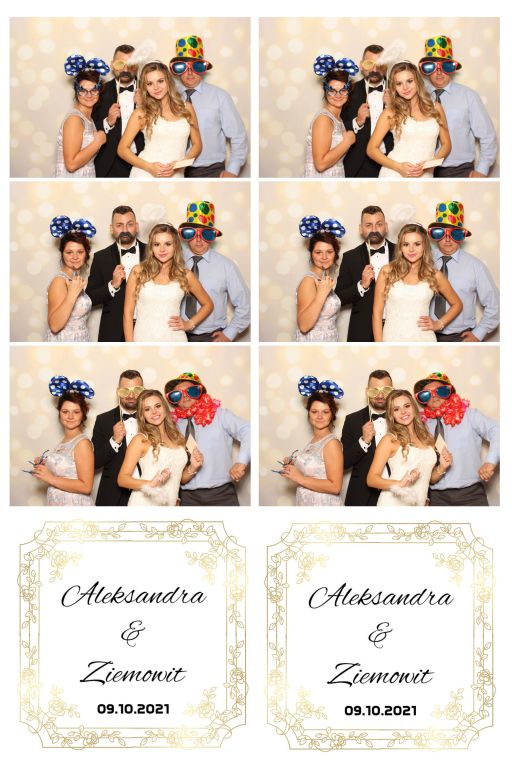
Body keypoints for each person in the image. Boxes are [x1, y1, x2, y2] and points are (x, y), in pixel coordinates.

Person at [414, 372, 499, 506]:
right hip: (436, 497)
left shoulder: (469, 415)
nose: (434, 396)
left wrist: (490, 462)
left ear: (450, 393)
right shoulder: (421, 424)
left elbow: (498, 430)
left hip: (471, 495)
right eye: (426, 394)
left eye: (440, 391)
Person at [165, 372, 250, 506]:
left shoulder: (220, 415)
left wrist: (241, 462)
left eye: (191, 391)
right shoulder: (171, 424)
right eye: (177, 394)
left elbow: (248, 430)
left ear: (200, 393)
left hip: (221, 494)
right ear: (173, 400)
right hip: (186, 497)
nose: (185, 396)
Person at [418, 35, 497, 178]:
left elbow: (487, 135)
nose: (439, 72)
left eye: (445, 66)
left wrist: (482, 171)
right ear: (425, 69)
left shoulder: (469, 96)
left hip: (459, 171)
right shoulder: (418, 97)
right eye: (432, 67)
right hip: (422, 171)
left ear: (452, 68)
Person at [170, 36, 248, 178]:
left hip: (210, 171)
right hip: (173, 170)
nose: (189, 73)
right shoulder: (169, 97)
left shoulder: (220, 96)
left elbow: (238, 135)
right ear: (177, 69)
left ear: (203, 68)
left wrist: (233, 170)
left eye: (196, 66)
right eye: (183, 67)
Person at [123, 223, 213, 342]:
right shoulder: (138, 271)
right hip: (142, 339)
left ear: (175, 246)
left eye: (168, 244)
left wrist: (189, 324)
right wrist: (130, 346)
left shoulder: (185, 275)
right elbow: (128, 313)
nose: (162, 249)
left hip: (175, 340)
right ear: (151, 247)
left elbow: (208, 304)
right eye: (157, 244)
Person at [373, 223, 462, 342]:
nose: (411, 249)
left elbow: (457, 304)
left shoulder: (434, 275)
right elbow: (377, 313)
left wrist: (439, 324)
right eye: (406, 244)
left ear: (424, 246)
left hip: (424, 340)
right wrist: (379, 346)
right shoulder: (387, 271)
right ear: (400, 247)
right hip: (392, 339)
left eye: (417, 244)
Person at [178, 201, 250, 341]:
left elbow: (245, 304)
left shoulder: (226, 266)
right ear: (184, 235)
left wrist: (229, 334)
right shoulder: (174, 261)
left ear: (213, 236)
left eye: (206, 234)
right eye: (191, 233)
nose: (199, 240)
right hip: (177, 335)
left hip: (210, 337)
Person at [428, 201, 499, 341]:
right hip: (426, 335)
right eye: (440, 233)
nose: (447, 239)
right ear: (434, 235)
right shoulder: (424, 261)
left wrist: (478, 334)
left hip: (459, 337)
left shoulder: (476, 266)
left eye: (455, 234)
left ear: (462, 237)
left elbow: (495, 304)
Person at [367, 389, 452, 506]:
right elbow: (371, 479)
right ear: (391, 415)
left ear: (414, 408)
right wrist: (400, 483)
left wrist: (442, 467)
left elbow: (429, 478)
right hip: (393, 504)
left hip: (419, 505)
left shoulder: (427, 438)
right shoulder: (390, 440)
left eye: (407, 406)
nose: (403, 412)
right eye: (396, 409)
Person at [117, 389, 203, 506]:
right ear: (142, 415)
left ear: (165, 408)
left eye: (157, 406)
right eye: (147, 409)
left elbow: (180, 478)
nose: (154, 412)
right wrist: (151, 484)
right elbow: (122, 479)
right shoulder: (141, 440)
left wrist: (193, 467)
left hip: (169, 505)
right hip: (144, 504)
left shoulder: (178, 438)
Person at [117, 61, 201, 178]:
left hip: (177, 175)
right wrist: (149, 167)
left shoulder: (186, 108)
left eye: (160, 81)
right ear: (145, 87)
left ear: (168, 81)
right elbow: (122, 149)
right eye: (150, 83)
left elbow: (197, 144)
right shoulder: (141, 113)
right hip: (145, 174)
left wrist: (180, 165)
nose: (156, 87)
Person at [367, 61, 451, 178]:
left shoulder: (435, 107)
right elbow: (371, 149)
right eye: (399, 83)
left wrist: (430, 164)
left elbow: (446, 144)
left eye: (409, 81)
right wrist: (398, 167)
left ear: (417, 81)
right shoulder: (390, 113)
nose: (405, 87)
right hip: (394, 174)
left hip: (426, 175)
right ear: (394, 87)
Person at [279, 376, 344, 506]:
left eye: (325, 412)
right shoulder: (314, 440)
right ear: (308, 413)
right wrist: (293, 465)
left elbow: (335, 487)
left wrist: (299, 478)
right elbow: (316, 471)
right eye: (314, 411)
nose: (319, 416)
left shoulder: (331, 443)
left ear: (332, 414)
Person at [30, 376, 94, 506]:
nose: (70, 416)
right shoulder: (64, 440)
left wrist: (50, 478)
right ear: (59, 413)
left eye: (76, 412)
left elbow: (86, 486)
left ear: (83, 414)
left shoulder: (82, 443)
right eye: (65, 411)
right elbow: (67, 469)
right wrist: (46, 464)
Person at [86, 206, 146, 342]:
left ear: (136, 226)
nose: (125, 230)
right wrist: (112, 286)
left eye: (129, 224)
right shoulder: (101, 257)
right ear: (111, 228)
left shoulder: (153, 253)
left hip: (147, 328)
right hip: (113, 331)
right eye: (119, 225)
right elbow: (90, 298)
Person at [335, 206, 395, 341]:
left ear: (386, 227)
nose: (374, 230)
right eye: (368, 225)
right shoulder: (350, 257)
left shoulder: (402, 253)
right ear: (361, 228)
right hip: (362, 331)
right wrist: (361, 285)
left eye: (379, 224)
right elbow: (339, 298)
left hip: (397, 328)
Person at [92, 369, 144, 506]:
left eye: (136, 390)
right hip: (113, 496)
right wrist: (114, 441)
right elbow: (94, 462)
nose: (131, 395)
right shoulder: (103, 420)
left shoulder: (154, 418)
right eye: (125, 390)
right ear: (118, 392)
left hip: (147, 495)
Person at [341, 369, 393, 506]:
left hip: (396, 495)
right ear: (367, 391)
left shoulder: (403, 418)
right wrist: (363, 441)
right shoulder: (352, 420)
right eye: (375, 390)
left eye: (385, 390)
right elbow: (344, 462)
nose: (380, 395)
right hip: (362, 496)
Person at [93, 44, 145, 177]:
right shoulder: (99, 91)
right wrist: (107, 122)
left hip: (142, 161)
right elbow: (88, 129)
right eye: (120, 64)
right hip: (109, 164)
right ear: (112, 65)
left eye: (131, 64)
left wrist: (143, 107)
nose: (125, 69)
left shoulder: (150, 89)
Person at [342, 44, 394, 177]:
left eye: (380, 64)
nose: (374, 69)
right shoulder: (348, 91)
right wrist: (357, 122)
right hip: (358, 164)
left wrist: (392, 108)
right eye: (369, 63)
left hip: (391, 161)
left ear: (386, 66)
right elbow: (337, 129)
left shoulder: (398, 90)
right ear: (361, 64)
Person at [55, 55, 108, 177]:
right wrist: (98, 141)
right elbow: (71, 165)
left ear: (99, 91)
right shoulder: (75, 119)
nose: (89, 95)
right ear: (76, 91)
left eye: (94, 90)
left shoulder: (88, 118)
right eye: (83, 90)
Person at [304, 55, 357, 177]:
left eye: (343, 90)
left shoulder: (337, 119)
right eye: (332, 91)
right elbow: (320, 164)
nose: (338, 95)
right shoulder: (324, 119)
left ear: (348, 91)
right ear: (325, 91)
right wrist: (347, 142)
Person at [295, 216, 345, 342]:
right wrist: (321, 294)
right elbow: (304, 326)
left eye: (329, 252)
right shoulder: (308, 281)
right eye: (318, 252)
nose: (324, 257)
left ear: (335, 254)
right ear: (311, 254)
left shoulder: (323, 279)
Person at [47, 216, 95, 342]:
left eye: (80, 252)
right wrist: (72, 295)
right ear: (62, 254)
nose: (75, 257)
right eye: (69, 252)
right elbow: (54, 326)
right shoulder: (59, 281)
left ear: (86, 254)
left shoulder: (75, 279)